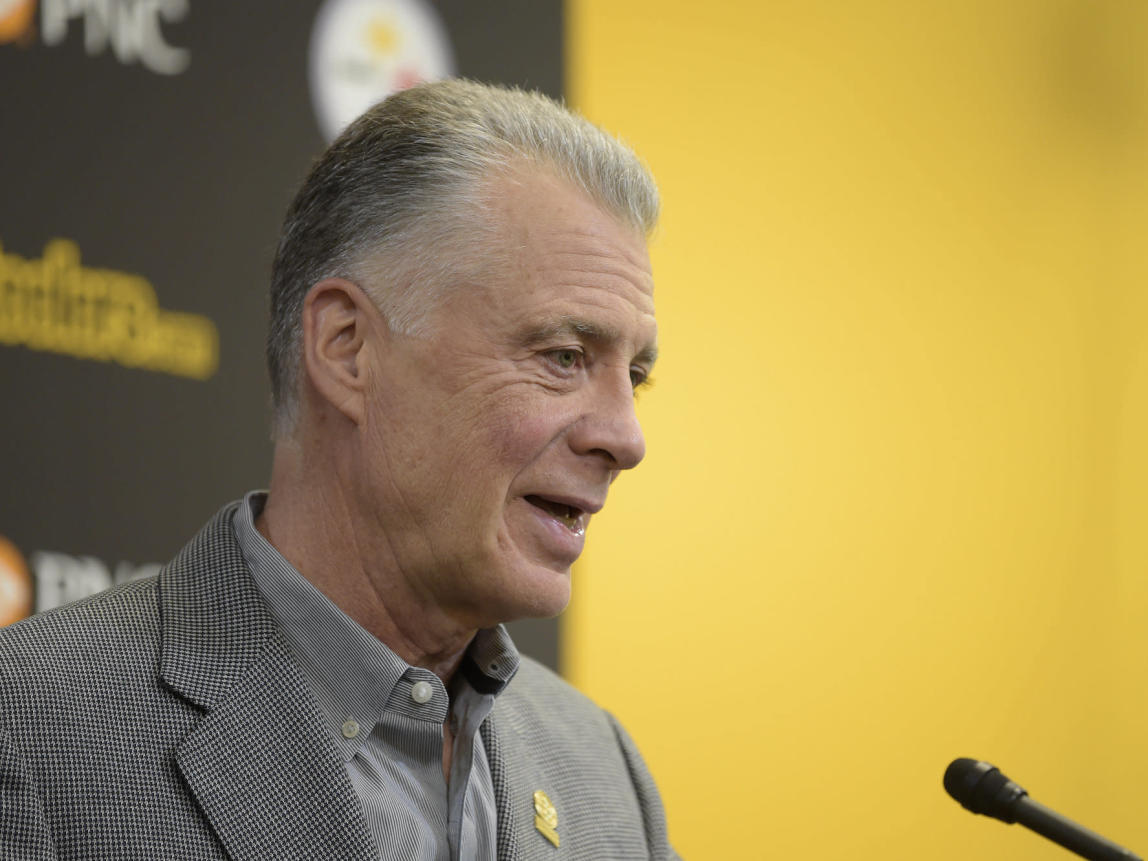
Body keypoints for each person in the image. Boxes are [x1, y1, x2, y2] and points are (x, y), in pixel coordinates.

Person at [0, 80, 676, 860]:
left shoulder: (606, 775)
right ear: (347, 347)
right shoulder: (32, 730)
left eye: (636, 376)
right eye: (564, 357)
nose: (626, 437)